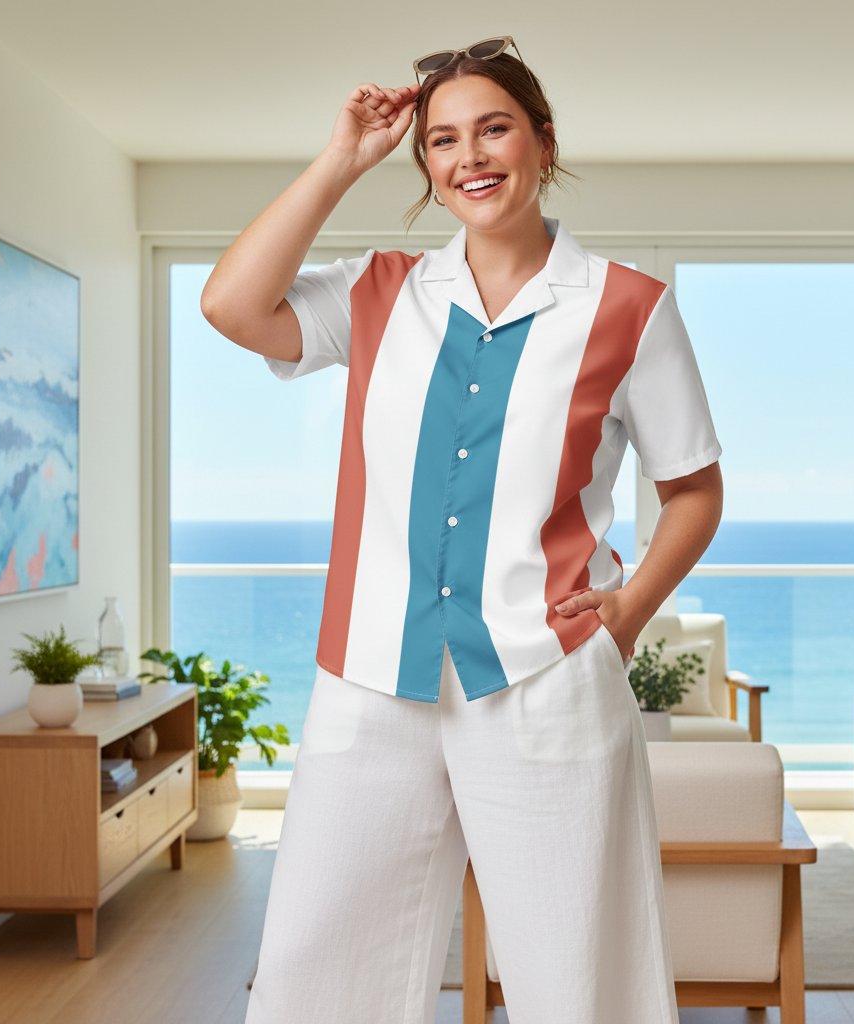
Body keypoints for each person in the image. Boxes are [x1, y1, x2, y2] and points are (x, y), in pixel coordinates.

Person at [203, 38, 723, 1024]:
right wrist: (341, 159)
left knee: (580, 973)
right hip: (369, 676)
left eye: (493, 127)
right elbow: (231, 304)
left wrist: (628, 609)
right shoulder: (378, 292)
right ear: (428, 169)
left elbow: (693, 488)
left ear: (541, 140)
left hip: (547, 677)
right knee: (319, 965)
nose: (469, 156)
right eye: (442, 140)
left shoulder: (628, 309)